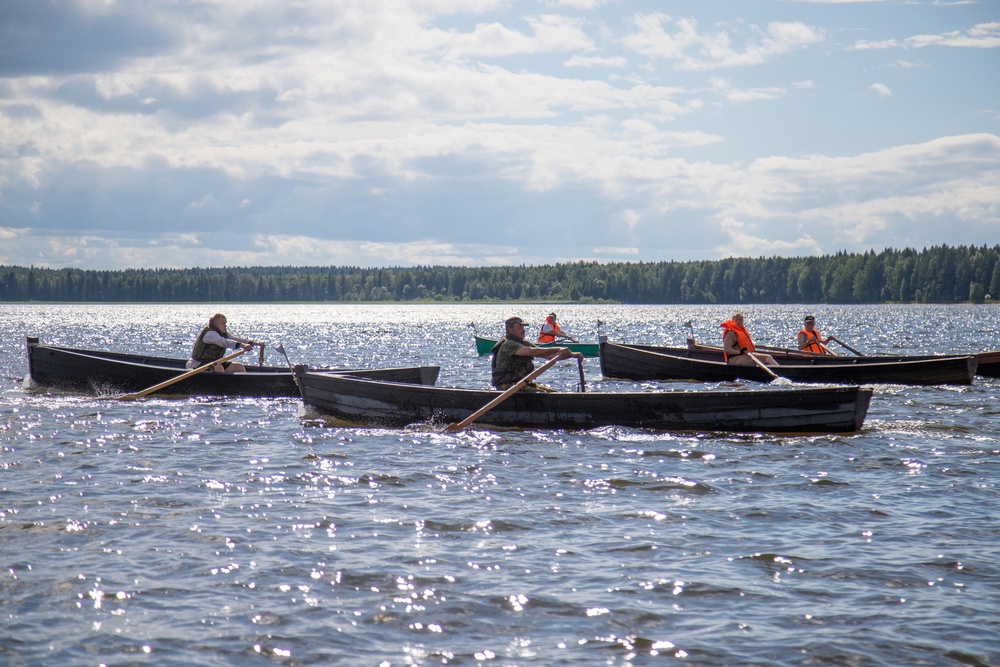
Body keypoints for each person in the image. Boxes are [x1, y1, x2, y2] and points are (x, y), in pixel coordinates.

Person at [492, 316, 584, 391]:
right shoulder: (508, 344)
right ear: (510, 330)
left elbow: (549, 356)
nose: (523, 330)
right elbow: (532, 351)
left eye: (523, 328)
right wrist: (558, 349)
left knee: (552, 392)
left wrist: (572, 355)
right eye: (520, 328)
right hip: (506, 385)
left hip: (521, 383)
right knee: (540, 393)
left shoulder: (524, 343)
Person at [187, 313, 257, 372]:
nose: (225, 325)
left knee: (238, 367)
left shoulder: (222, 333)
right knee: (218, 367)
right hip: (197, 364)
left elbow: (233, 338)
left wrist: (250, 342)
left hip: (214, 363)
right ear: (216, 324)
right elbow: (224, 342)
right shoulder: (210, 334)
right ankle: (222, 387)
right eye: (223, 323)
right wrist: (242, 345)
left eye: (225, 323)